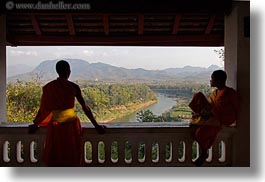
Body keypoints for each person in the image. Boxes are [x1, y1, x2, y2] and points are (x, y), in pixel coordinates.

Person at [28, 60, 105, 167]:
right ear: (69, 71)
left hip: (56, 128)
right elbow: (85, 108)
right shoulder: (73, 87)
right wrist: (96, 126)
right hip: (71, 128)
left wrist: (35, 124)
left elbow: (43, 109)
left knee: (55, 156)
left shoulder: (49, 87)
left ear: (57, 71)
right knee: (72, 156)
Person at [188, 70, 239, 166]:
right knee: (198, 95)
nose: (210, 81)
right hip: (212, 116)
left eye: (212, 79)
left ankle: (203, 153)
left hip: (221, 119)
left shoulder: (230, 93)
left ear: (219, 81)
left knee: (200, 133)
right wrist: (201, 114)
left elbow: (235, 109)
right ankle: (199, 116)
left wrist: (224, 118)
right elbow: (210, 107)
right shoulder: (215, 93)